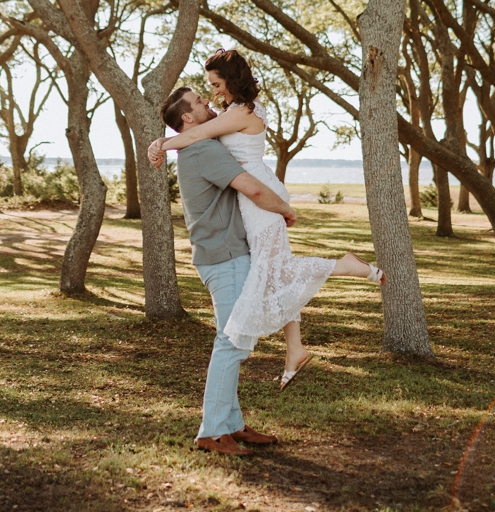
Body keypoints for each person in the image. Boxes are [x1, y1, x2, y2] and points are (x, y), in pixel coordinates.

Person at [150, 49, 384, 390]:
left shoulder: (241, 111)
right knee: (274, 272)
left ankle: (347, 266)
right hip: (254, 195)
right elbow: (196, 135)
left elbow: (195, 135)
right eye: (207, 89)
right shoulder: (234, 110)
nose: (212, 92)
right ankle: (295, 349)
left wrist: (159, 144)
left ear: (230, 80)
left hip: (259, 195)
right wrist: (162, 141)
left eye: (215, 84)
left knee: (276, 271)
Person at [160, 86, 293, 455]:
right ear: (188, 118)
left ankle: (231, 424)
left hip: (224, 254)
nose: (209, 103)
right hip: (225, 257)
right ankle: (213, 431)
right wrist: (286, 209)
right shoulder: (202, 149)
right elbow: (250, 188)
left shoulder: (198, 144)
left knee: (235, 339)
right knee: (232, 342)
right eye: (200, 102)